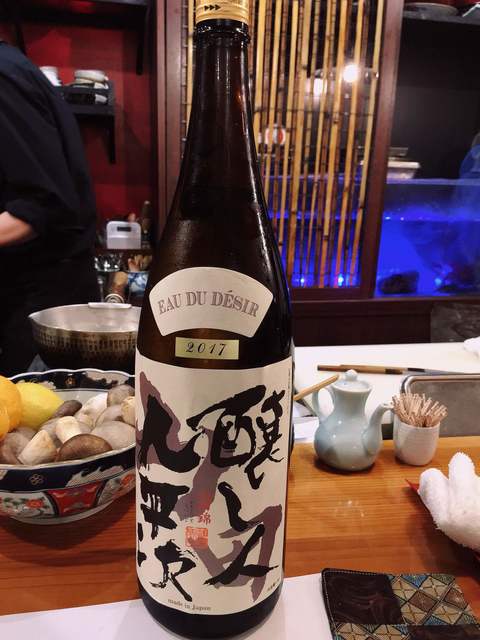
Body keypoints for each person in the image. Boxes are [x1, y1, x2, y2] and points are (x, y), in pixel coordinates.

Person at [0, 41, 100, 376]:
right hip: (34, 298)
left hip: (41, 308)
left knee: (34, 406)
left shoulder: (2, 75)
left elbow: (41, 205)